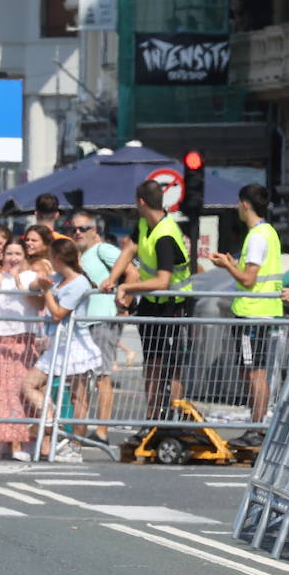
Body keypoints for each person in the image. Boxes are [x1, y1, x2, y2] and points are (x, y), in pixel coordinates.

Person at [101, 180, 192, 431]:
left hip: (175, 304)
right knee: (152, 361)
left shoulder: (165, 234)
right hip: (152, 303)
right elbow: (129, 250)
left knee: (172, 366)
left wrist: (126, 287)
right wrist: (112, 278)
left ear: (141, 202)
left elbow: (163, 281)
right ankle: (151, 421)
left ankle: (174, 420)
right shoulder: (143, 224)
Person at [210, 184, 284, 448]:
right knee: (253, 371)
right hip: (262, 312)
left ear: (244, 204)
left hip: (253, 313)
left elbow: (249, 279)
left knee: (254, 372)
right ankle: (257, 424)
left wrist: (227, 265)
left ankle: (257, 426)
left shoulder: (256, 236)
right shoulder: (268, 232)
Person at [22, 238, 101, 462]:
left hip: (75, 344)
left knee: (79, 398)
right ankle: (49, 414)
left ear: (57, 258)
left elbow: (58, 313)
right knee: (30, 384)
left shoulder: (79, 283)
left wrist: (46, 291)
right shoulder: (57, 278)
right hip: (56, 344)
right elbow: (33, 287)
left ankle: (75, 447)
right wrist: (40, 284)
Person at [0, 240, 43, 461]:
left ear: (24, 255)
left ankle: (22, 443)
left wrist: (17, 280)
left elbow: (37, 304)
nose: (12, 258)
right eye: (9, 253)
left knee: (18, 394)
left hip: (23, 339)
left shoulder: (30, 277)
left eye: (17, 253)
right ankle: (1, 441)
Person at [71, 210, 130, 442]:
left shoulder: (102, 249)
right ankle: (80, 432)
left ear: (94, 231)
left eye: (83, 228)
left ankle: (102, 430)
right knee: (82, 378)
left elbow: (131, 268)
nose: (77, 233)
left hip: (102, 319)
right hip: (84, 322)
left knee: (102, 375)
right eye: (74, 228)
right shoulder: (81, 254)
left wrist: (123, 298)